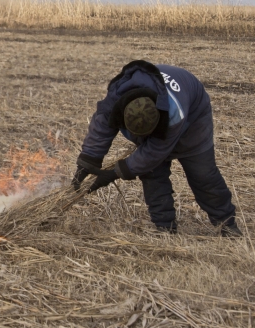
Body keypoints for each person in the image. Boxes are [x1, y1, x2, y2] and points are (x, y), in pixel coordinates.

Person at [72, 60, 243, 237]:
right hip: (157, 114)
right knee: (153, 174)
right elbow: (102, 126)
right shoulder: (117, 95)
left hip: (194, 118)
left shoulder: (175, 114)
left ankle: (226, 224)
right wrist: (88, 159)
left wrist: (115, 173)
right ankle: (165, 228)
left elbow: (153, 153)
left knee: (202, 174)